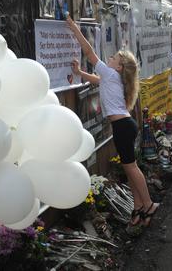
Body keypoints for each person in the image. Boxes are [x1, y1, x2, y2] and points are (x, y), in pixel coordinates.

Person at [66, 13, 160, 226]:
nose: (108, 59)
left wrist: (74, 27)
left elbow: (89, 51)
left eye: (113, 58)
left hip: (122, 127)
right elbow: (97, 80)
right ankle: (138, 208)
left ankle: (148, 203)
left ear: (118, 67)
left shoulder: (111, 74)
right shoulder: (111, 77)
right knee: (129, 167)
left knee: (132, 168)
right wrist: (80, 72)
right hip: (123, 126)